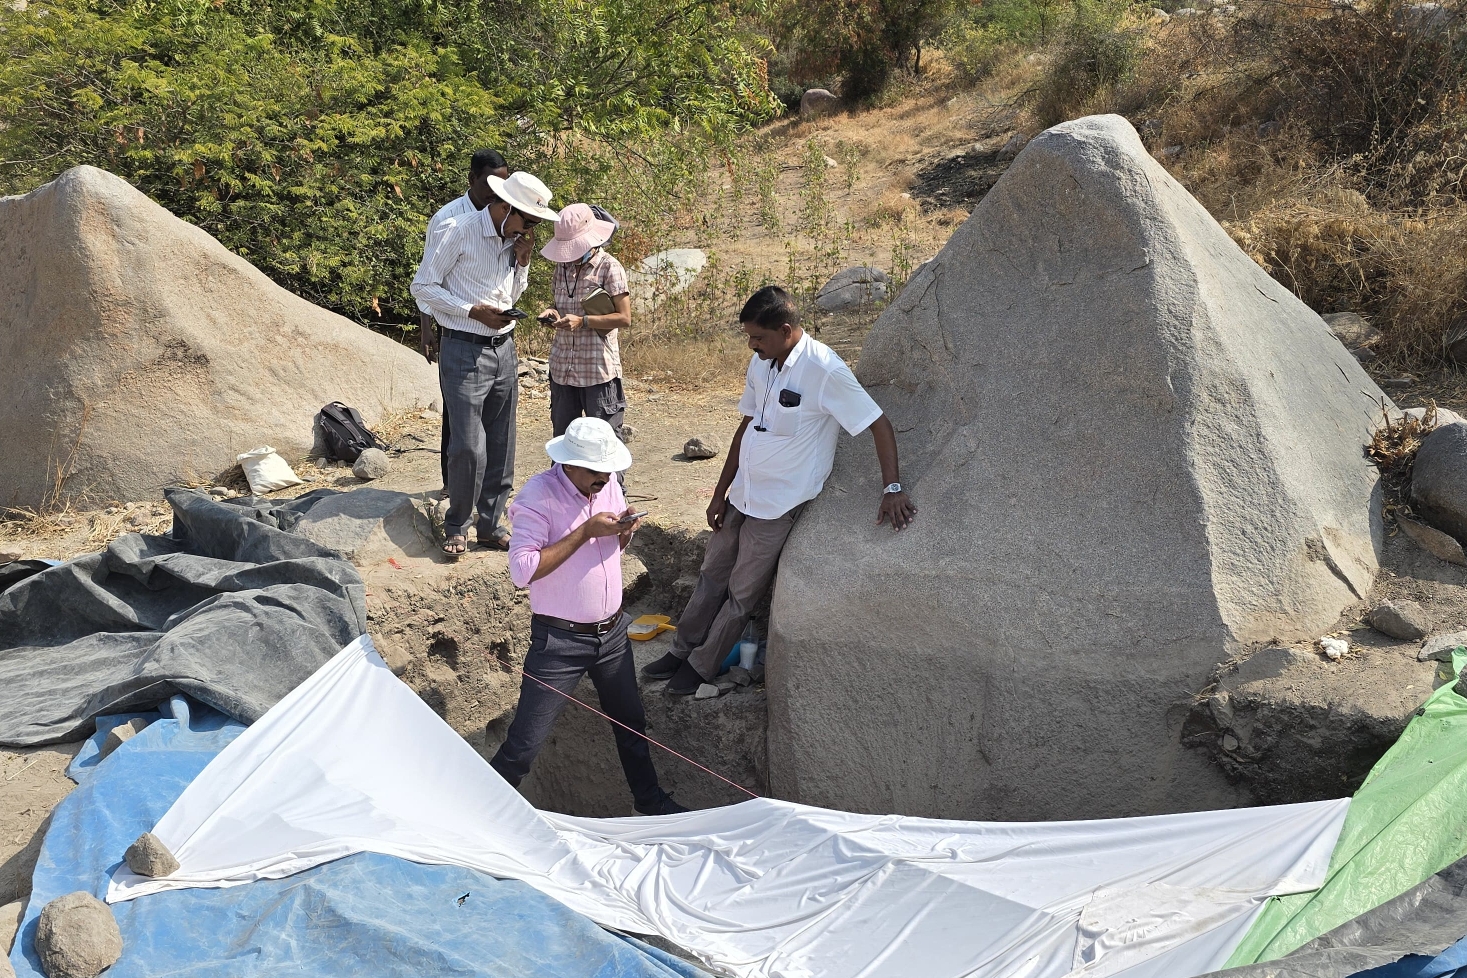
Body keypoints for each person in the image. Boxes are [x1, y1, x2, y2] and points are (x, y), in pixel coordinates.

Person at [641, 285, 918, 694]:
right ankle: (682, 649)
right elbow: (747, 426)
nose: (751, 345)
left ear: (786, 330)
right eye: (749, 337)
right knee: (710, 575)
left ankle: (701, 667)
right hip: (743, 496)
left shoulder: (825, 371)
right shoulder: (762, 363)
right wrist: (721, 491)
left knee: (741, 593)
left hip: (779, 504)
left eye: (758, 337)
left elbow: (878, 424)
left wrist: (891, 486)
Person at [491, 417, 687, 815]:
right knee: (524, 745)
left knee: (631, 724)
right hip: (559, 643)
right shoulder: (536, 497)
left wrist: (623, 529)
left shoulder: (608, 483)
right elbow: (521, 571)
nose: (604, 479)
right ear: (569, 464)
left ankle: (648, 803)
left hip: (613, 634)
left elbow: (613, 545)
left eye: (608, 472)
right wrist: (584, 533)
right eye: (596, 473)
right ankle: (477, 816)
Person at [411, 170, 559, 558]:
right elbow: (423, 287)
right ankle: (457, 523)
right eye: (529, 222)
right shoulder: (456, 230)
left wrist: (523, 263)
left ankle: (491, 524)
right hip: (463, 347)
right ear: (506, 207)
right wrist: (471, 311)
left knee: (501, 441)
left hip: (503, 347)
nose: (529, 231)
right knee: (468, 445)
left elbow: (509, 293)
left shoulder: (511, 241)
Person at [415, 149, 511, 493]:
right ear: (471, 180)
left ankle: (486, 490)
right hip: (456, 327)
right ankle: (451, 487)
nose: (497, 191)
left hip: (495, 339)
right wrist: (428, 328)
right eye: (490, 183)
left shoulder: (505, 216)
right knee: (457, 419)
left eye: (503, 183)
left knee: (492, 424)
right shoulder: (449, 220)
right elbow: (428, 281)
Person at [537, 203, 633, 439]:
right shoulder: (561, 268)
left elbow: (624, 317)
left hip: (597, 372)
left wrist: (582, 321)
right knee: (564, 442)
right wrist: (552, 313)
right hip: (562, 371)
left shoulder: (610, 267)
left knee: (602, 444)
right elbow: (558, 304)